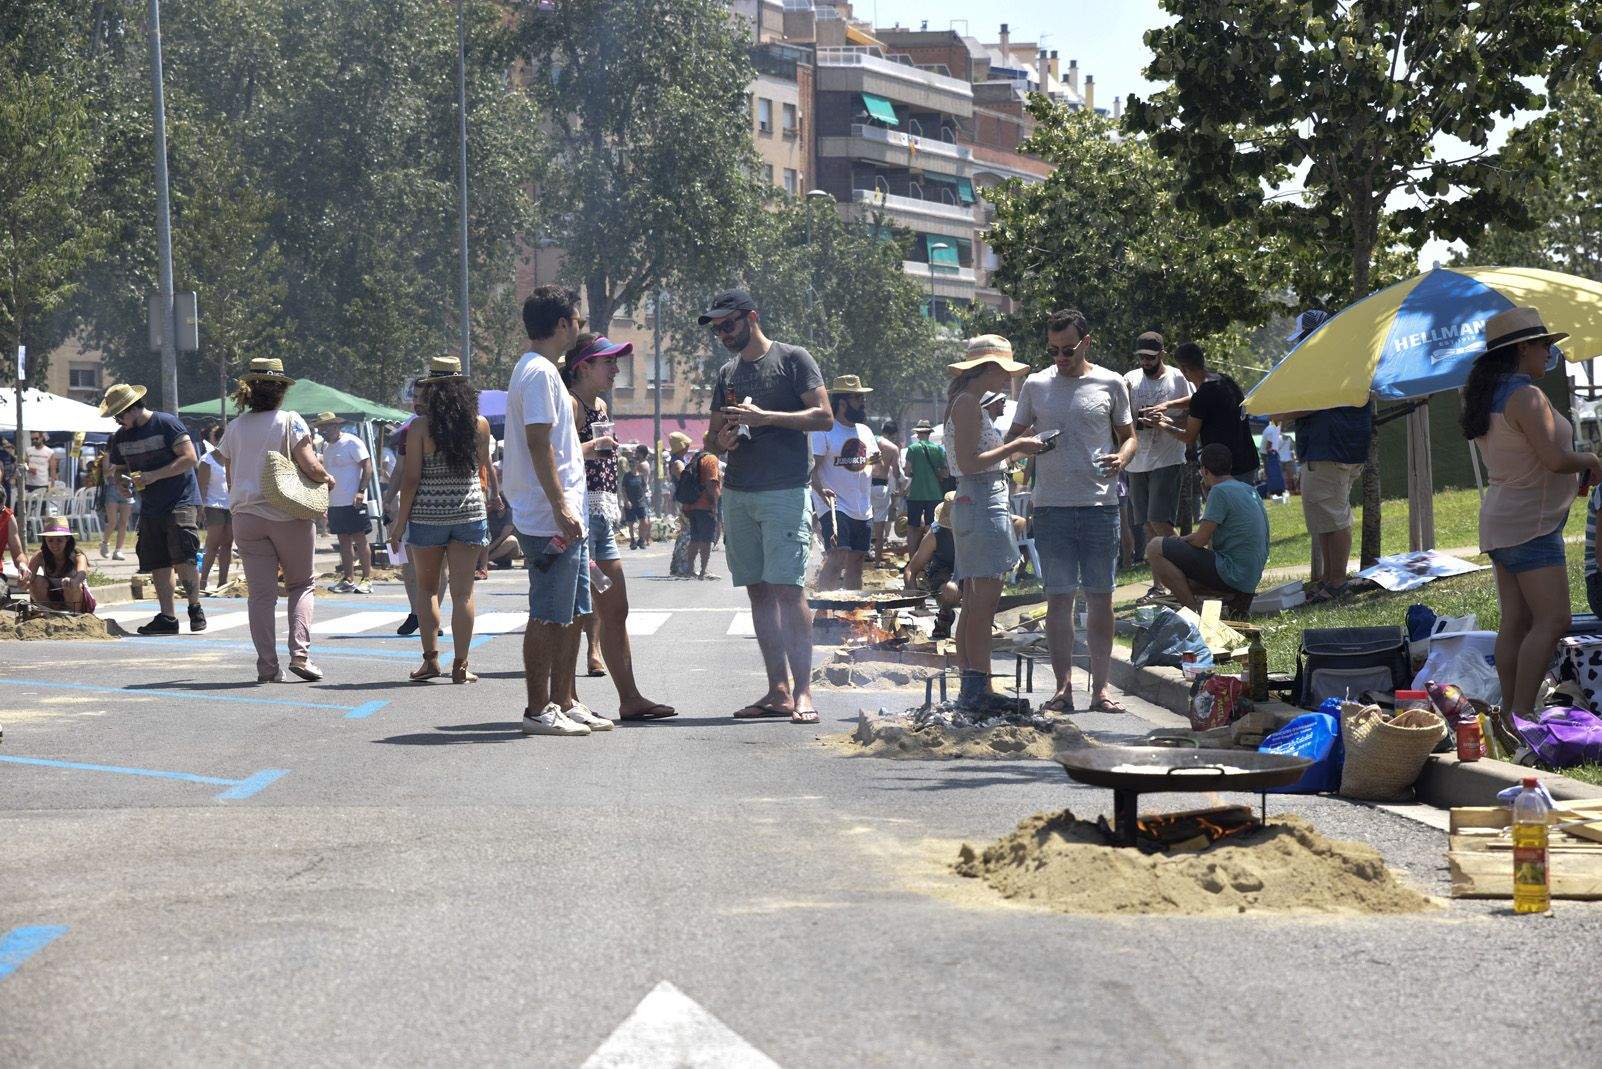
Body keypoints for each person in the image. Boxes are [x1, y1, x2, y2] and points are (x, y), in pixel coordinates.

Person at [704, 288, 832, 724]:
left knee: (789, 590)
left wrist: (767, 418)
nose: (722, 334)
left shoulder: (793, 359)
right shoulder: (726, 372)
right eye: (717, 328)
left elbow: (823, 417)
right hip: (740, 491)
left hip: (784, 491)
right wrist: (719, 442)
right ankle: (777, 690)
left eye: (728, 325)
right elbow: (711, 436)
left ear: (751, 317)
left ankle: (804, 692)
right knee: (758, 590)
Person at [1462, 307, 1597, 721]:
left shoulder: (1483, 394)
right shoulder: (1527, 396)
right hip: (1528, 525)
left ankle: (1509, 713)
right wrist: (1591, 458)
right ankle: (1522, 713)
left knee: (1516, 621)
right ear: (1523, 348)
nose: (1548, 354)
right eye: (1544, 346)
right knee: (1554, 619)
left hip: (1504, 520)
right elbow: (1554, 460)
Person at [1006, 311, 1135, 714]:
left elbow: (1129, 438)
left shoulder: (1111, 382)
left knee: (1101, 599)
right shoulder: (1036, 384)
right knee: (1058, 600)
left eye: (1068, 349)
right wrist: (1031, 444)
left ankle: (1101, 690)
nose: (1060, 357)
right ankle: (1063, 689)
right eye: (1054, 350)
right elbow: (1014, 438)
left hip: (1100, 506)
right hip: (1051, 508)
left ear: (1086, 342)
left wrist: (1122, 459)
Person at [505, 286, 612, 735]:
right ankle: (537, 710)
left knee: (572, 611)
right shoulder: (539, 374)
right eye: (578, 319)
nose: (581, 327)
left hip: (565, 512)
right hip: (550, 515)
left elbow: (558, 447)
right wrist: (560, 506)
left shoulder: (544, 371)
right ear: (562, 324)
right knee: (549, 613)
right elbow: (537, 443)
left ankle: (565, 700)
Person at [564, 333, 676, 720]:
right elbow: (553, 459)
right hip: (577, 516)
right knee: (575, 612)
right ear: (583, 367)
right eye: (607, 363)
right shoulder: (572, 403)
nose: (615, 370)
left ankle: (629, 698)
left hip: (601, 518)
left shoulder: (598, 403)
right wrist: (595, 447)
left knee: (616, 607)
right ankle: (567, 700)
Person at [213, 359, 333, 681]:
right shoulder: (290, 421)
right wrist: (327, 479)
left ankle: (267, 666)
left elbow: (229, 472)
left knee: (261, 595)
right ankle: (300, 656)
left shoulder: (235, 427)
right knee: (301, 584)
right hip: (287, 513)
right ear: (281, 392)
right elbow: (310, 465)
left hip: (245, 517)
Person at [947, 335, 1042, 711]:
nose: (1006, 379)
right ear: (987, 368)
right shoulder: (969, 402)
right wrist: (1018, 447)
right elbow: (971, 461)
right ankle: (980, 688)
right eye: (1003, 371)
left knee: (974, 600)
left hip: (976, 498)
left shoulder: (964, 401)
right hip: (982, 498)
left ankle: (972, 685)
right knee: (983, 602)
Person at [389, 356, 491, 684]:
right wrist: (491, 500)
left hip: (428, 516)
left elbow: (411, 479)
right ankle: (461, 666)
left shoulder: (419, 428)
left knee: (428, 590)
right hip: (469, 512)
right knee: (463, 593)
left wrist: (399, 523)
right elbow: (484, 470)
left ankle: (431, 662)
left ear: (432, 391)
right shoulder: (480, 424)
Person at [1269, 311, 1375, 601]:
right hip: (1341, 449)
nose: (1299, 345)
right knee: (1327, 520)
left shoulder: (1327, 362)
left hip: (1329, 450)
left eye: (1302, 338)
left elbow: (1314, 402)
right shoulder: (1346, 358)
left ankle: (1338, 583)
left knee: (1334, 518)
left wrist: (1281, 412)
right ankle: (1330, 579)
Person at [100, 383, 207, 636]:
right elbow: (117, 468)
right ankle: (168, 617)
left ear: (132, 409)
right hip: (151, 506)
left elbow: (190, 458)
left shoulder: (166, 424)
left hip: (179, 499)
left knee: (183, 555)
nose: (118, 421)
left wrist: (152, 476)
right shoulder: (121, 436)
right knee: (157, 560)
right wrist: (121, 484)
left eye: (119, 415)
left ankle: (195, 608)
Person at [1145, 443, 1269, 613]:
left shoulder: (1219, 492)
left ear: (1204, 470)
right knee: (1178, 578)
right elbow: (1208, 536)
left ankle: (1192, 613)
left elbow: (1200, 540)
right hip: (1248, 578)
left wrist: (1181, 540)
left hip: (1233, 574)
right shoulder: (1248, 489)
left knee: (1155, 547)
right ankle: (1228, 599)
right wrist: (1184, 540)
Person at [1124, 331, 1192, 598]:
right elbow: (1119, 413)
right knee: (1148, 525)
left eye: (1151, 357)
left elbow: (1192, 406)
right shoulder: (1130, 379)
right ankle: (1159, 585)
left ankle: (1188, 574)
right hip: (1137, 460)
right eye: (1141, 357)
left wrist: (1164, 413)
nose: (1145, 361)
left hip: (1167, 457)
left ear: (1162, 354)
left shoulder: (1176, 377)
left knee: (1160, 520)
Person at [1149, 342, 1259, 482]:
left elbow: (1189, 437)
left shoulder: (1202, 397)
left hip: (1227, 471)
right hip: (1249, 460)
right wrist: (1168, 404)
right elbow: (1200, 401)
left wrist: (1161, 424)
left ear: (1183, 369)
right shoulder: (1225, 380)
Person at [811, 375, 879, 591]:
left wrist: (873, 461)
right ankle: (824, 612)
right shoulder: (824, 430)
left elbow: (869, 463)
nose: (863, 403)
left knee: (857, 561)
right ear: (842, 403)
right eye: (858, 399)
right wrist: (821, 492)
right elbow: (811, 469)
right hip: (835, 505)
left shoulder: (865, 431)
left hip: (862, 507)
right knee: (837, 557)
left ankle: (851, 614)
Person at [315, 412, 374, 594]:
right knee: (343, 541)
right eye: (322, 427)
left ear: (336, 426)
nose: (324, 430)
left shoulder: (352, 441)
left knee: (359, 538)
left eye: (327, 426)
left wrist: (361, 491)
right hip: (335, 502)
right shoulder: (326, 446)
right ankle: (348, 579)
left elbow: (367, 466)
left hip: (352, 500)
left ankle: (367, 578)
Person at [904, 491, 959, 639]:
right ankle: (944, 615)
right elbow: (910, 570)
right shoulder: (936, 534)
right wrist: (917, 599)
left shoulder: (978, 532)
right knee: (950, 590)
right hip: (943, 574)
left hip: (970, 573)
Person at [28, 516, 96, 614]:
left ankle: (74, 615)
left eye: (59, 540)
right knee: (36, 581)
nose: (54, 545)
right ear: (45, 540)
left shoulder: (77, 555)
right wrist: (24, 579)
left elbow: (82, 574)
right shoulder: (40, 556)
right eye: (50, 540)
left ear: (67, 539)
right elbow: (29, 576)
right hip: (52, 599)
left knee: (69, 584)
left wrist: (74, 581)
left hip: (77, 600)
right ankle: (46, 612)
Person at [903, 419, 947, 562]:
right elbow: (945, 472)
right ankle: (928, 560)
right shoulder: (938, 449)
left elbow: (907, 471)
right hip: (934, 493)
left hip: (915, 493)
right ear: (929, 433)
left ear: (917, 433)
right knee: (931, 527)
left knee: (912, 527)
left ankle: (912, 559)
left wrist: (916, 473)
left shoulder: (912, 449)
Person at [196, 424, 233, 591]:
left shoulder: (233, 459)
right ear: (218, 440)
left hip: (231, 505)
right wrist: (200, 509)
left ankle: (222, 581)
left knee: (227, 544)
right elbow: (201, 486)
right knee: (213, 544)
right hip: (213, 506)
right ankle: (203, 581)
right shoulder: (206, 460)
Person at [869, 420, 904, 562]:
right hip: (881, 487)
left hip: (865, 485)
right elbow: (896, 473)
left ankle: (860, 556)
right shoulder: (892, 448)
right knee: (880, 526)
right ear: (894, 434)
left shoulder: (870, 441)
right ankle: (877, 561)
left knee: (861, 522)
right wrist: (900, 488)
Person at [97, 444, 133, 560]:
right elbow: (105, 474)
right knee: (112, 522)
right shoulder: (108, 455)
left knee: (124, 522)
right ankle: (105, 543)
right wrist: (115, 468)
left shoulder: (129, 453)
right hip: (112, 488)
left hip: (127, 487)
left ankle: (118, 550)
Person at [24, 432, 57, 498]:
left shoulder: (49, 451)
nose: (34, 441)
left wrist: (53, 485)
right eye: (32, 439)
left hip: (42, 483)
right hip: (29, 483)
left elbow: (53, 469)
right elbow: (24, 464)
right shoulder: (28, 450)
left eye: (36, 438)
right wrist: (28, 469)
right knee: (29, 506)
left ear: (41, 438)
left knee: (42, 506)